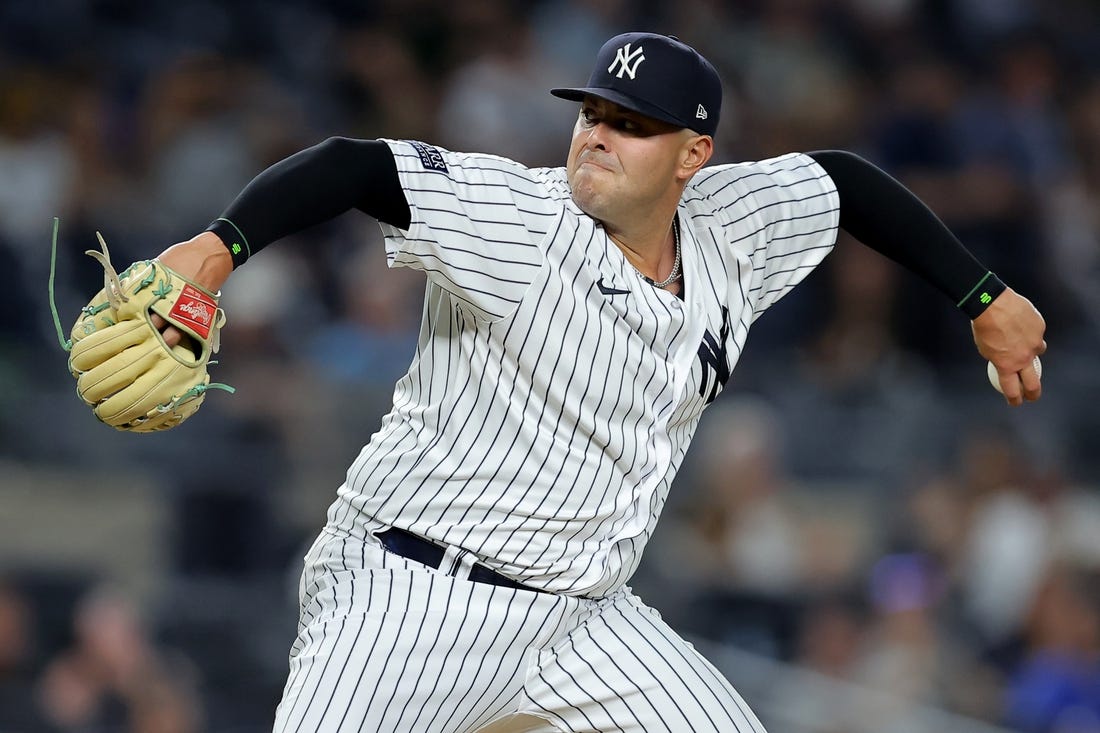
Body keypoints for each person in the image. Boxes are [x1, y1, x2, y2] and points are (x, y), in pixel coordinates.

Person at [149, 32, 1046, 732]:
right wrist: (216, 249)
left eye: (631, 124)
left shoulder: (732, 226)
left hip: (586, 620)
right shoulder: (520, 221)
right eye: (592, 114)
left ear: (694, 155)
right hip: (413, 594)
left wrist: (982, 294)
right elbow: (354, 164)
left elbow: (846, 184)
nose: (598, 137)